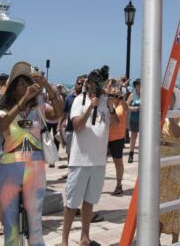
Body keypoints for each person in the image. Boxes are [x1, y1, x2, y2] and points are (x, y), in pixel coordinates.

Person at [0, 63, 64, 246]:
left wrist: (47, 85)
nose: (26, 87)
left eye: (28, 84)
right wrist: (23, 101)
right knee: (10, 224)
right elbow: (2, 126)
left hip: (34, 166)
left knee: (35, 223)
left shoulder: (38, 108)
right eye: (21, 84)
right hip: (10, 166)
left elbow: (58, 113)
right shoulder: (4, 109)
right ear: (12, 89)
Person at [61, 74, 117, 246]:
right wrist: (89, 108)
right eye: (92, 83)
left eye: (99, 83)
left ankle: (84, 237)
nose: (95, 87)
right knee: (71, 203)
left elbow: (116, 124)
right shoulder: (79, 100)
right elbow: (76, 126)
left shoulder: (106, 102)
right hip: (80, 161)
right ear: (88, 85)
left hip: (99, 161)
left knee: (90, 201)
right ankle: (64, 241)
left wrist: (111, 107)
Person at [159, 113, 180, 244]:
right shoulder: (157, 111)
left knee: (172, 196)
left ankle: (171, 238)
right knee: (159, 198)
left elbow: (177, 133)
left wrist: (170, 116)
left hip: (176, 160)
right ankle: (158, 237)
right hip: (160, 157)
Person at [106, 80, 128, 196]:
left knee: (117, 162)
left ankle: (119, 184)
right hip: (105, 137)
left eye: (115, 95)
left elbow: (126, 108)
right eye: (111, 95)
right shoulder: (107, 104)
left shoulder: (121, 105)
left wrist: (121, 97)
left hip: (117, 138)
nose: (112, 97)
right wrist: (109, 85)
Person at [127, 79, 141, 164]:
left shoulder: (146, 95)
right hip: (134, 119)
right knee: (133, 137)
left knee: (144, 138)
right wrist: (134, 108)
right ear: (135, 86)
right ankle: (131, 154)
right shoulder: (132, 95)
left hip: (144, 120)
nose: (140, 87)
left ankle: (144, 154)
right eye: (139, 85)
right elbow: (125, 107)